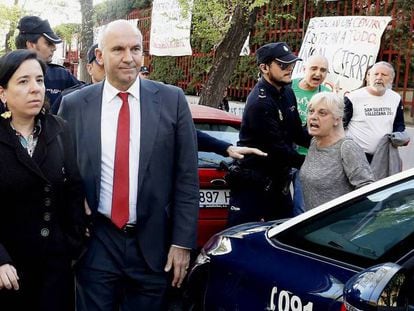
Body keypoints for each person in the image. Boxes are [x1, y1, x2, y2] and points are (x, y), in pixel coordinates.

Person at [58, 20, 199, 310]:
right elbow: (60, 170)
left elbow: (186, 178)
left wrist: (182, 243)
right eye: (118, 49)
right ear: (100, 56)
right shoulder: (74, 105)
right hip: (97, 242)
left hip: (153, 247)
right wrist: (74, 201)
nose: (128, 57)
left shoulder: (172, 100)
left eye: (135, 49)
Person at [0, 50, 86, 310]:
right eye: (23, 81)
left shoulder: (60, 130)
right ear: (3, 93)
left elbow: (74, 189)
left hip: (54, 267)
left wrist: (72, 245)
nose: (35, 89)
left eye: (39, 80)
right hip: (9, 270)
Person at [227, 42, 310, 227]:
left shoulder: (288, 92)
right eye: (282, 65)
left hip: (279, 181)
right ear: (264, 68)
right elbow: (278, 149)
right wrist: (314, 163)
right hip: (254, 182)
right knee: (243, 237)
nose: (289, 69)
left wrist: (327, 143)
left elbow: (297, 132)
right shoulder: (259, 102)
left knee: (282, 234)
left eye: (292, 64)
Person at [300, 92, 375, 210]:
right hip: (315, 224)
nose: (313, 116)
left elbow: (366, 189)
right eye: (311, 111)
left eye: (322, 113)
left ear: (337, 119)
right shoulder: (314, 141)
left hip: (339, 226)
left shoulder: (347, 148)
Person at [343, 61, 406, 163]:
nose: (379, 77)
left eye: (384, 75)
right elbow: (341, 125)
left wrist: (400, 135)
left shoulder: (395, 98)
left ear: (391, 79)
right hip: (356, 156)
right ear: (369, 77)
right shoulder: (353, 97)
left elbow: (399, 123)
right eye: (376, 74)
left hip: (384, 155)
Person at [291, 54, 330, 215]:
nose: (318, 73)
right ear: (304, 69)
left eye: (323, 70)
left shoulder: (327, 95)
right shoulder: (288, 87)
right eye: (314, 68)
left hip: (308, 158)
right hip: (283, 154)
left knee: (302, 207)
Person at [15, 16, 82, 110]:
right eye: (48, 43)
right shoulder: (6, 74)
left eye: (39, 80)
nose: (54, 48)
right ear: (31, 45)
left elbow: (87, 95)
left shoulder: (61, 75)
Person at [51, 43, 105, 114]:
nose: (108, 68)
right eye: (103, 64)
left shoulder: (123, 99)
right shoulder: (70, 99)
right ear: (90, 68)